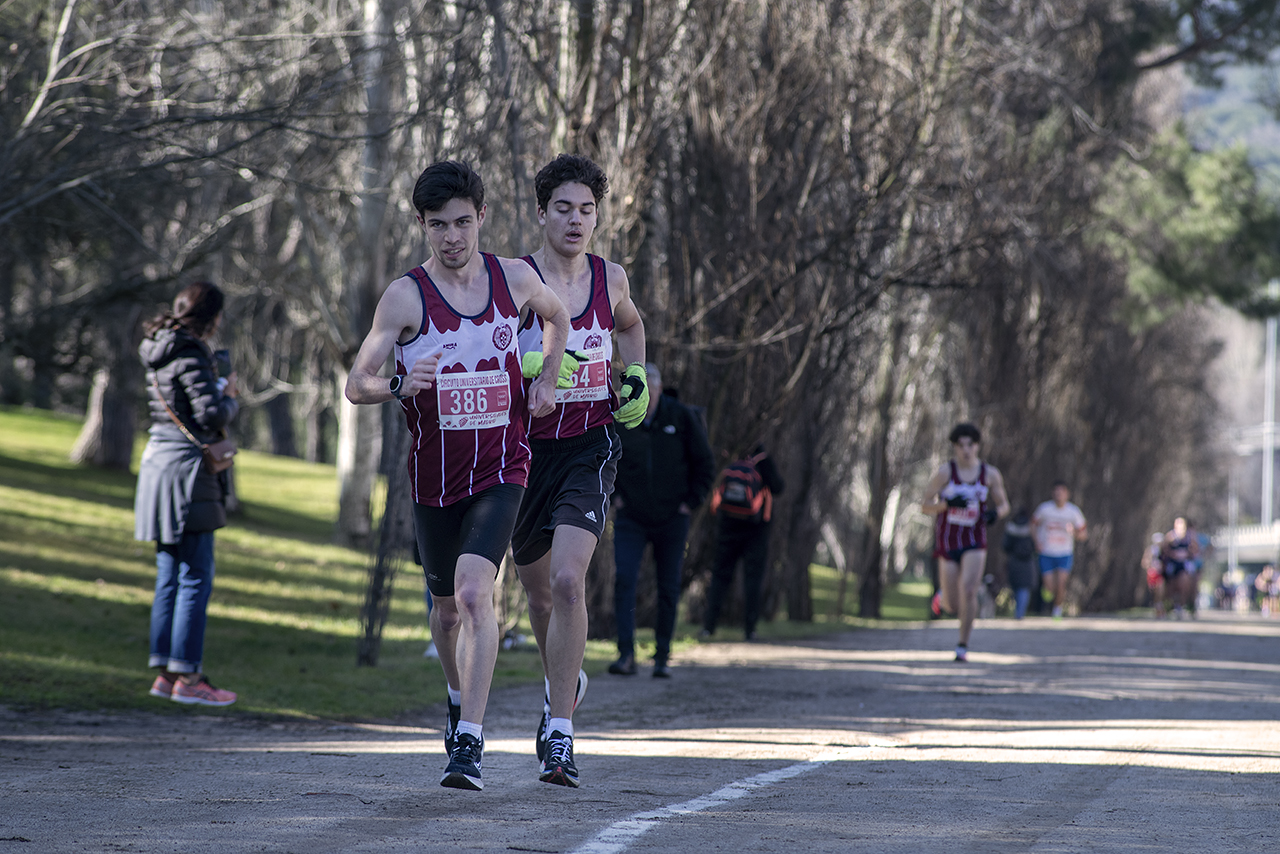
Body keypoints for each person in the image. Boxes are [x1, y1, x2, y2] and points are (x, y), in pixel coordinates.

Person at [344, 160, 570, 791]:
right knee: (445, 613)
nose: (452, 237)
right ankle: (454, 693)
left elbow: (560, 318)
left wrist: (547, 378)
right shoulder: (406, 296)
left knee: (476, 594)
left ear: (482, 218)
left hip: (504, 466)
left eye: (463, 223)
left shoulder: (516, 278)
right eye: (438, 225)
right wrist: (397, 383)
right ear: (421, 225)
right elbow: (355, 382)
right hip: (434, 478)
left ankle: (468, 742)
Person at [510, 154, 648, 788]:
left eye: (585, 209)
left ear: (597, 216)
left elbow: (632, 326)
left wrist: (638, 374)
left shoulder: (610, 277)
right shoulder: (511, 281)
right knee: (538, 594)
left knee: (569, 582)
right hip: (523, 452)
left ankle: (560, 733)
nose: (574, 219)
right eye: (562, 208)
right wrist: (534, 369)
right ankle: (560, 682)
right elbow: (484, 354)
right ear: (541, 213)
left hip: (590, 445)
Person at [134, 281, 239, 707]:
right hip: (188, 473)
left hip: (157, 463)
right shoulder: (190, 352)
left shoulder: (157, 348)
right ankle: (189, 677)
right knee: (195, 575)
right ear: (210, 317)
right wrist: (230, 397)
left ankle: (165, 673)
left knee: (168, 574)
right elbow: (210, 413)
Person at [610, 363, 715, 678]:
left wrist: (690, 502)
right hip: (631, 516)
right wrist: (614, 495)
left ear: (656, 388)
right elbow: (606, 455)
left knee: (668, 586)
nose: (642, 397)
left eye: (647, 390)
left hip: (672, 517)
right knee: (624, 580)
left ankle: (662, 655)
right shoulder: (624, 418)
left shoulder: (681, 417)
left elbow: (705, 462)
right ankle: (626, 654)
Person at [921, 422, 1010, 661]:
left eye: (970, 445)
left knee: (969, 591)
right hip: (948, 542)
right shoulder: (945, 473)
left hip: (975, 540)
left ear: (978, 446)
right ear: (954, 448)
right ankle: (943, 597)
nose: (966, 450)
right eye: (961, 446)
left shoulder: (989, 474)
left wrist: (994, 514)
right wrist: (947, 505)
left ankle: (962, 646)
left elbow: (1004, 505)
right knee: (952, 606)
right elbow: (924, 505)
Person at [699, 445, 785, 641]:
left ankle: (708, 626)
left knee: (719, 577)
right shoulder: (763, 459)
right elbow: (779, 487)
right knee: (752, 580)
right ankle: (749, 629)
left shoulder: (729, 453)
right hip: (756, 531)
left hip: (727, 528)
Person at [1031, 481, 1088, 618]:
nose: (1058, 495)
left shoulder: (1073, 512)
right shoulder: (1044, 509)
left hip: (1065, 553)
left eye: (1061, 492)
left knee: (1062, 583)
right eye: (1056, 492)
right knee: (1049, 585)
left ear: (1067, 494)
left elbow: (1083, 535)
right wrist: (1037, 542)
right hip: (1046, 552)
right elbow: (1032, 525)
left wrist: (1073, 532)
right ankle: (1048, 592)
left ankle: (1057, 611)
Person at [1158, 517, 1199, 619]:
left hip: (1184, 564)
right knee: (1170, 585)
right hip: (1172, 565)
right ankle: (1167, 605)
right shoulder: (1170, 537)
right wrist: (1173, 554)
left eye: (1183, 526)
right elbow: (1163, 550)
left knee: (1186, 582)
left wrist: (1187, 554)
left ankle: (1182, 606)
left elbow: (1195, 551)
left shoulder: (1190, 538)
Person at [1001, 509, 1036, 620]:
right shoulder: (1032, 528)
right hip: (1028, 562)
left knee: (1016, 588)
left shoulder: (1011, 528)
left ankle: (1017, 612)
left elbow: (1005, 546)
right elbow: (1037, 545)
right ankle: (1020, 614)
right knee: (1024, 588)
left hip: (1014, 561)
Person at [1141, 533, 1166, 617]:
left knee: (1161, 589)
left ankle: (1160, 608)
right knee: (1155, 591)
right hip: (1152, 574)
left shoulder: (1164, 551)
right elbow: (1144, 562)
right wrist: (1151, 567)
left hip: (1161, 574)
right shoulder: (1151, 550)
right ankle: (1157, 608)